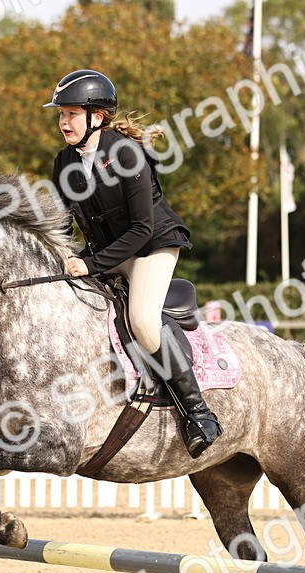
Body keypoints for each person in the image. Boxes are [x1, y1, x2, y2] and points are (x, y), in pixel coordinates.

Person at [45, 69, 222, 458]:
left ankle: (198, 413)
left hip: (152, 247)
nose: (63, 122)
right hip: (108, 253)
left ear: (97, 116)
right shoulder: (63, 162)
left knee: (142, 319)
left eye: (71, 113)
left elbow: (142, 229)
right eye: (61, 114)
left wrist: (91, 264)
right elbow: (62, 225)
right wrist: (63, 257)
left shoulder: (127, 153)